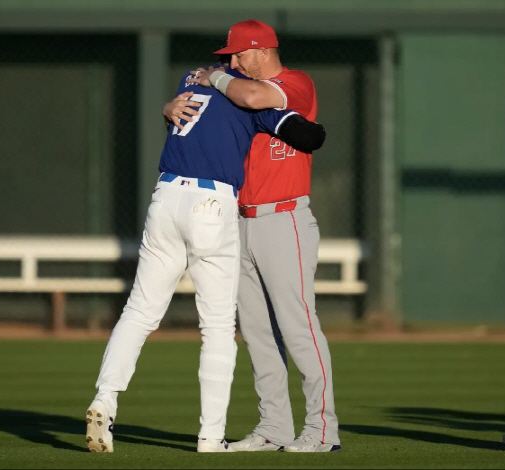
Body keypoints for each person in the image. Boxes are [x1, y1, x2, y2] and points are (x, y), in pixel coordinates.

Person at [85, 60, 326, 454]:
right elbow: (307, 135)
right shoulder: (249, 95)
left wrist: (168, 106)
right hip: (211, 204)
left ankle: (105, 399)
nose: (234, 63)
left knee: (140, 311)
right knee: (215, 327)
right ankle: (210, 436)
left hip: (165, 198)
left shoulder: (190, 81)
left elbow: (194, 107)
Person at [176, 18, 342, 453]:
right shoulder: (231, 89)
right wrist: (170, 105)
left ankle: (323, 430)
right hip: (239, 219)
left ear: (262, 50)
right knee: (256, 332)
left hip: (284, 217)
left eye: (237, 53)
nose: (231, 61)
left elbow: (253, 95)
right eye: (227, 57)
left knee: (298, 326)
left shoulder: (294, 82)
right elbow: (194, 114)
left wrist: (214, 76)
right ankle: (274, 427)